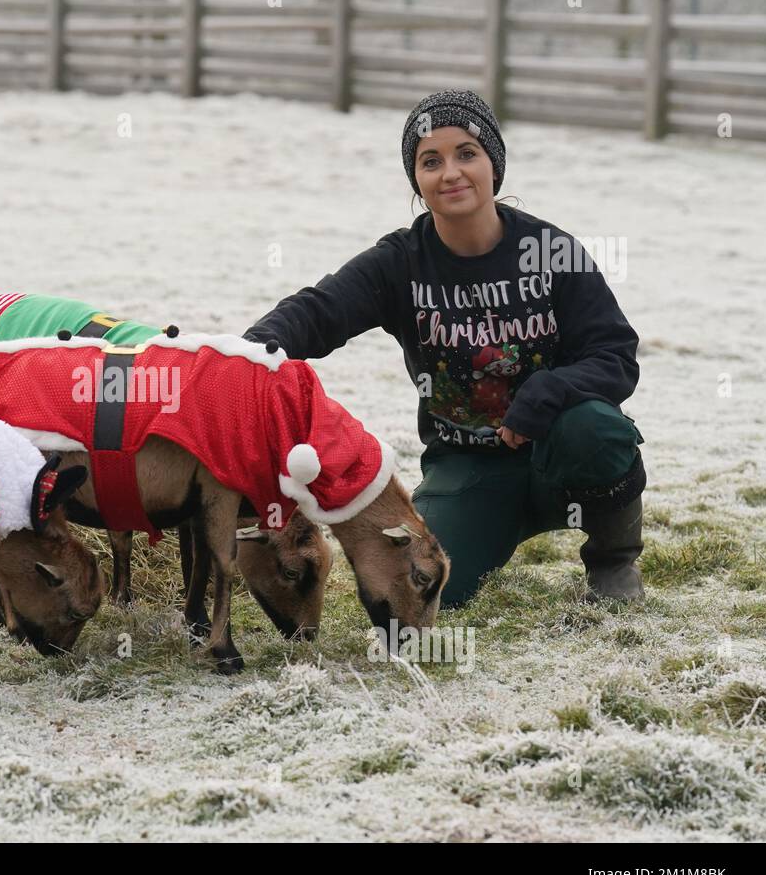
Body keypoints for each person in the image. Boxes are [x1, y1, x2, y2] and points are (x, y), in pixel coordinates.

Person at [244, 89, 645, 608]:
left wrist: (550, 390)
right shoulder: (401, 263)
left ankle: (614, 563)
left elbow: (615, 356)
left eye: (467, 154)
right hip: (468, 465)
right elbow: (318, 311)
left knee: (595, 427)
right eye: (430, 161)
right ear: (417, 181)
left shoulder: (551, 251)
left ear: (493, 166)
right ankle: (486, 524)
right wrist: (243, 354)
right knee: (421, 582)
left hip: (559, 454)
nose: (451, 172)